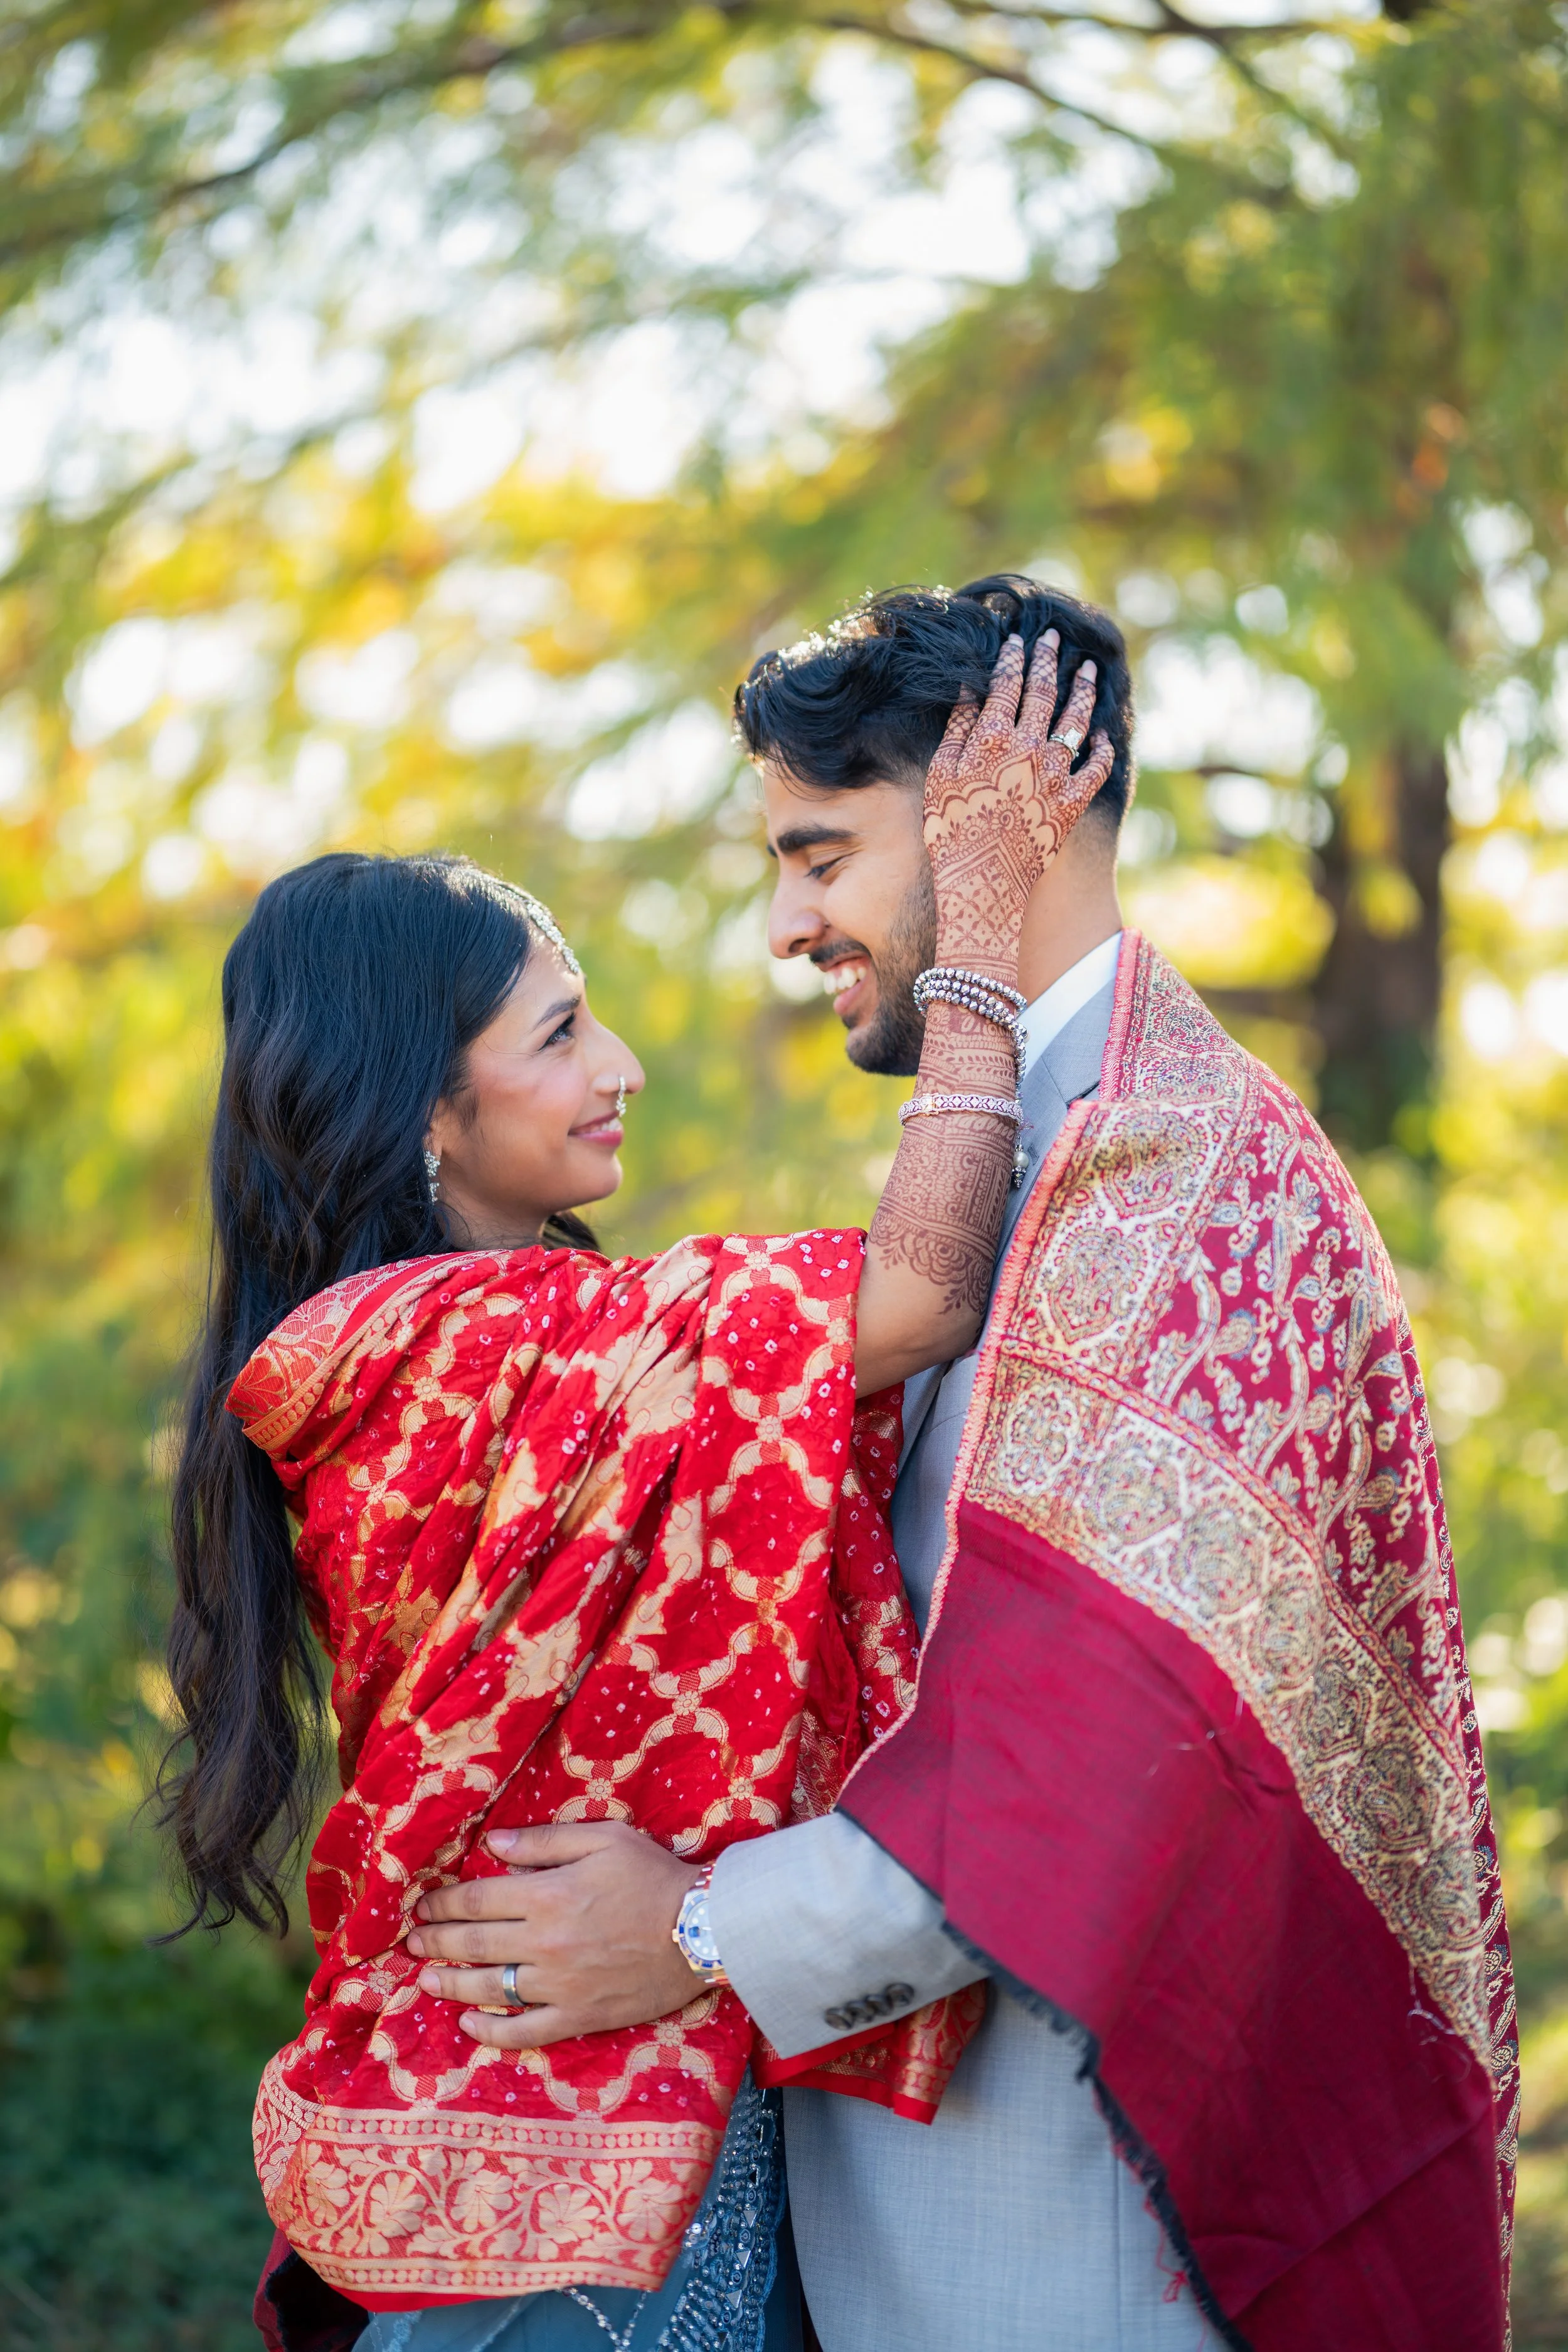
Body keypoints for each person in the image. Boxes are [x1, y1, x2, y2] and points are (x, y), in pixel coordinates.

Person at [410, 576, 1517, 2351]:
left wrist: (692, 1926)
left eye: (820, 852)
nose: (787, 921)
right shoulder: (1029, 1133)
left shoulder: (1182, 1172)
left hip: (1078, 2236)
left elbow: (1086, 1756)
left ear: (1014, 808)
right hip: (909, 2211)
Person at [161, 628, 1114, 2352]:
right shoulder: (425, 1348)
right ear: (424, 1112)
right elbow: (913, 1301)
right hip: (539, 2207)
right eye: (560, 1031)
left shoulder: (564, 1342)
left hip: (613, 2131)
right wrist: (981, 945)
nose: (623, 1067)